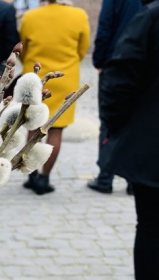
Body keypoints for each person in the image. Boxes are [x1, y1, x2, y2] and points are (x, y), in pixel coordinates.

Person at [100, 1, 159, 277]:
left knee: (151, 228)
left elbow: (119, 77)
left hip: (152, 146)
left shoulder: (153, 15)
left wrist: (120, 129)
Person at [19, 0, 90, 195]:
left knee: (33, 127)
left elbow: (23, 49)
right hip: (65, 78)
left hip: (37, 78)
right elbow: (82, 49)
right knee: (56, 130)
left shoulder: (30, 16)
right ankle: (44, 178)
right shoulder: (79, 16)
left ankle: (31, 174)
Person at [87, 0, 142, 195]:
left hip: (115, 64)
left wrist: (99, 61)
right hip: (142, 66)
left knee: (109, 121)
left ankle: (105, 178)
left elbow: (105, 28)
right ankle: (132, 180)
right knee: (137, 122)